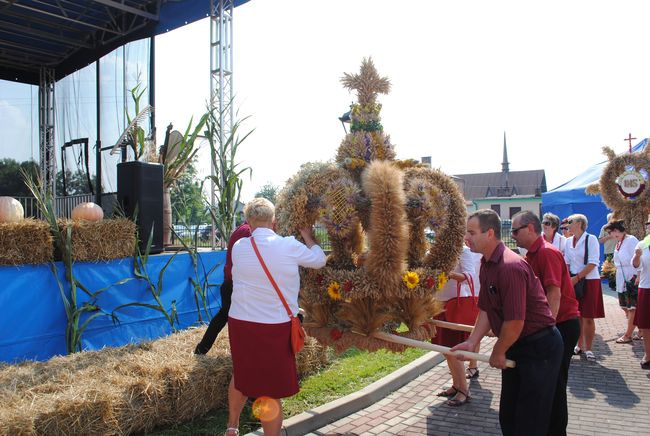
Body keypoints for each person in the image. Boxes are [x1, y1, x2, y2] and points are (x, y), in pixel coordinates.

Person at [451, 209, 563, 436]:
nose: (466, 238)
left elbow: (514, 321)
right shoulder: (486, 264)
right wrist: (472, 342)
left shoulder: (509, 266)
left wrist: (498, 352)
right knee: (509, 416)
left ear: (489, 233)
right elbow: (485, 308)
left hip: (539, 347)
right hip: (518, 344)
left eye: (471, 233)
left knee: (530, 421)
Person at [225, 198, 326, 436]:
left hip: (240, 322)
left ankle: (232, 427)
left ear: (248, 222)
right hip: (273, 326)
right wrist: (309, 237)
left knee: (241, 374)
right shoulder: (288, 245)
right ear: (275, 222)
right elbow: (320, 261)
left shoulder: (239, 247)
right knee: (268, 389)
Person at [511, 211, 581, 436]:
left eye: (515, 230)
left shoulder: (546, 253)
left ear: (530, 228)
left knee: (556, 384)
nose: (512, 236)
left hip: (560, 324)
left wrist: (547, 330)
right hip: (553, 325)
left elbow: (555, 294)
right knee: (548, 384)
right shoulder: (531, 255)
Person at [432, 244, 481, 407]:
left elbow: (470, 276)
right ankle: (456, 385)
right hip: (438, 306)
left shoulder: (463, 250)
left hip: (454, 307)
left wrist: (449, 274)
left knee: (453, 350)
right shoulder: (437, 249)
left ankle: (464, 391)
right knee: (445, 350)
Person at [194, 221, 252, 355]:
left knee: (223, 316)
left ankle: (201, 349)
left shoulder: (241, 229)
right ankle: (202, 349)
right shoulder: (248, 231)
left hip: (231, 282)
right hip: (237, 283)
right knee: (227, 316)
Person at [564, 213, 604, 361]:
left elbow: (593, 263)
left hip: (589, 280)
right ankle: (579, 346)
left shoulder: (591, 238)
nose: (568, 224)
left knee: (588, 317)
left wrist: (577, 277)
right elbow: (566, 261)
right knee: (577, 315)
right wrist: (567, 278)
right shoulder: (568, 242)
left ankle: (589, 348)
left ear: (580, 223)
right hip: (574, 280)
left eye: (570, 222)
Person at [605, 220, 641, 344]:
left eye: (610, 232)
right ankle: (640, 328)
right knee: (624, 306)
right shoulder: (619, 242)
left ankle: (628, 334)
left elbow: (639, 257)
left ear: (616, 231)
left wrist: (638, 275)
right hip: (621, 277)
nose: (610, 235)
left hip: (631, 275)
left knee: (632, 307)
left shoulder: (631, 240)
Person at [632, 217, 650, 369]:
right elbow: (636, 264)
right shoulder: (642, 244)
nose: (649, 227)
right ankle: (648, 354)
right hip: (646, 287)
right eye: (648, 224)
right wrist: (637, 255)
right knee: (645, 324)